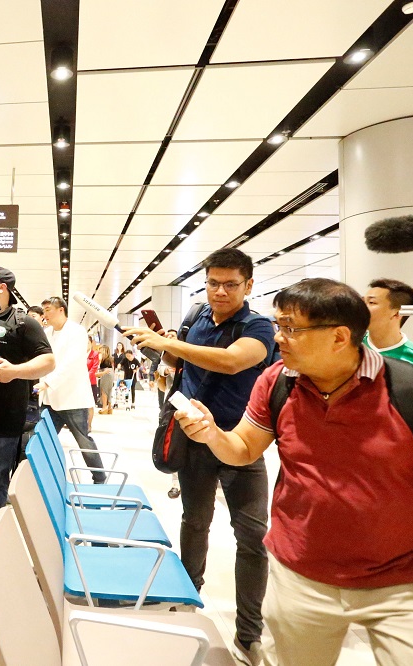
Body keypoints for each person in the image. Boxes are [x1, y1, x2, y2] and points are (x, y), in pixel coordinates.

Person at [176, 278, 413, 666]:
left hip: (403, 582)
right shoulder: (277, 383)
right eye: (277, 326)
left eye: (290, 328)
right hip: (300, 576)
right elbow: (244, 448)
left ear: (339, 336)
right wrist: (213, 435)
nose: (278, 338)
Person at [125, 248, 276, 665]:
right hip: (194, 438)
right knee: (195, 521)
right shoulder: (196, 317)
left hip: (242, 439)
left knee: (251, 535)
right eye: (213, 283)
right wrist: (163, 351)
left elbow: (231, 362)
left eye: (230, 284)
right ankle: (188, 598)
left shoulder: (259, 326)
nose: (220, 291)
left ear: (248, 285)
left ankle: (249, 632)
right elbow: (175, 361)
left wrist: (169, 343)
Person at [0, 267, 54, 550]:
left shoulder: (24, 323)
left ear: (1, 288)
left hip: (4, 416)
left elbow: (48, 361)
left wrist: (15, 371)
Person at [37, 296, 107, 484]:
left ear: (61, 310)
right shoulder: (47, 332)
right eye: (43, 310)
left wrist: (48, 382)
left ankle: (99, 478)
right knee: (43, 440)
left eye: (48, 309)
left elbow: (71, 363)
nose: (45, 314)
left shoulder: (77, 331)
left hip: (73, 399)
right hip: (50, 399)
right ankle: (43, 477)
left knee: (83, 441)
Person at [364, 278, 413, 377]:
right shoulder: (350, 347)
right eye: (362, 301)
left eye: (371, 302)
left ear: (397, 313)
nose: (361, 307)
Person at [97, 344, 115, 414]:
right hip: (110, 373)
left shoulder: (102, 358)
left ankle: (104, 407)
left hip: (105, 373)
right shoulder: (110, 358)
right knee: (109, 390)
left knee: (104, 390)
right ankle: (109, 407)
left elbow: (99, 364)